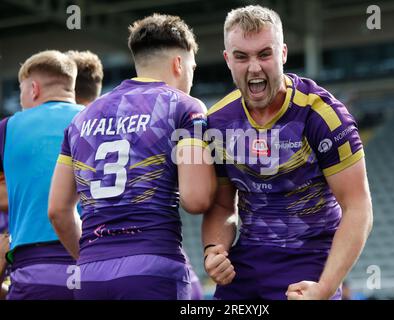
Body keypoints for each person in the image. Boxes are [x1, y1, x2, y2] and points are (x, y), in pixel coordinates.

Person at [202, 5, 373, 300]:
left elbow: (358, 208)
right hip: (246, 269)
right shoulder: (217, 121)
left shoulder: (323, 116)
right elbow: (221, 208)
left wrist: (325, 288)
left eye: (264, 54)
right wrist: (213, 250)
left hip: (311, 266)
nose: (254, 67)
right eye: (242, 56)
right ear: (228, 60)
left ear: (282, 54)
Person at [48, 13, 216, 300]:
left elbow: (57, 210)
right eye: (192, 67)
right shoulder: (185, 107)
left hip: (91, 274)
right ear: (179, 63)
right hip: (153, 268)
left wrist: (93, 256)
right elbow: (196, 198)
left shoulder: (81, 119)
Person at [0, 50, 83, 299]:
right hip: (95, 260)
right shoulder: (93, 120)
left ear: (33, 88)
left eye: (22, 91)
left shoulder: (8, 128)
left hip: (34, 268)